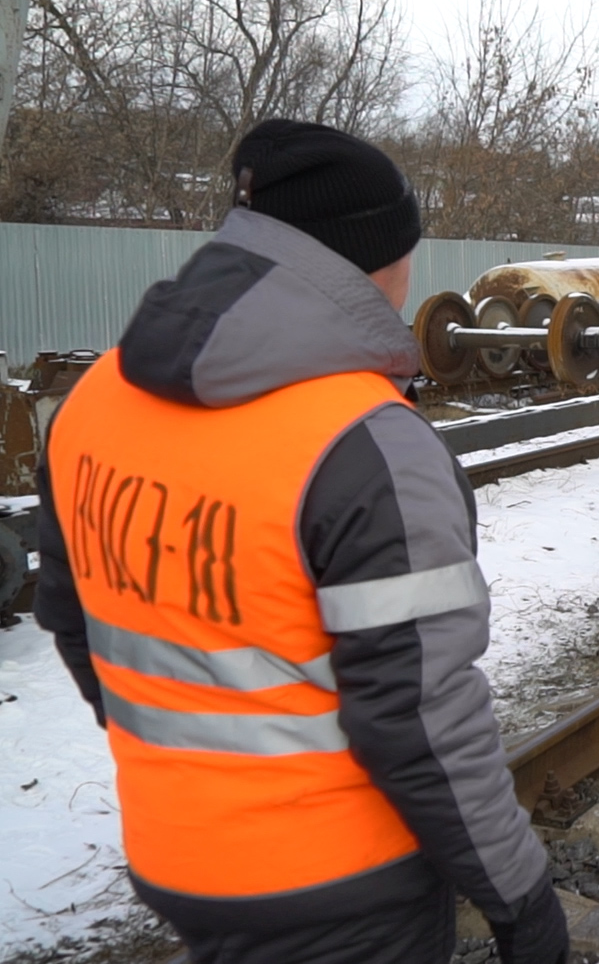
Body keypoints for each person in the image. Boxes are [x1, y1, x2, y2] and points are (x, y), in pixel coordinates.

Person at [32, 120, 567, 964]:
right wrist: (521, 896)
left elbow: (69, 618)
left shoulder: (94, 400)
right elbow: (419, 716)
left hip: (172, 855)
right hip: (342, 889)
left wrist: (187, 781)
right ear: (377, 257)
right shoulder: (367, 444)